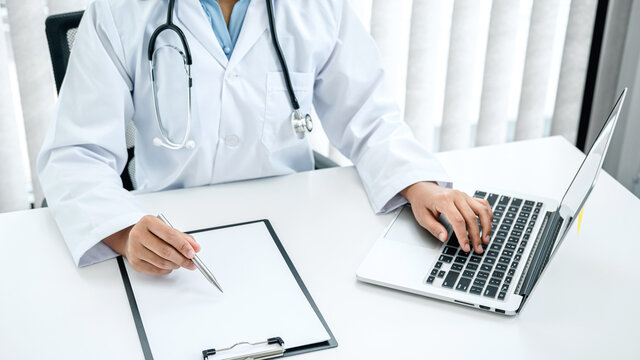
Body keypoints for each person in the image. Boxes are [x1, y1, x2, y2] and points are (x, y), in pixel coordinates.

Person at [37, 0, 492, 275]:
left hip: (293, 230)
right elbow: (76, 155)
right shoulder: (121, 10)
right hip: (171, 232)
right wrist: (122, 232)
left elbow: (368, 114)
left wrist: (419, 184)